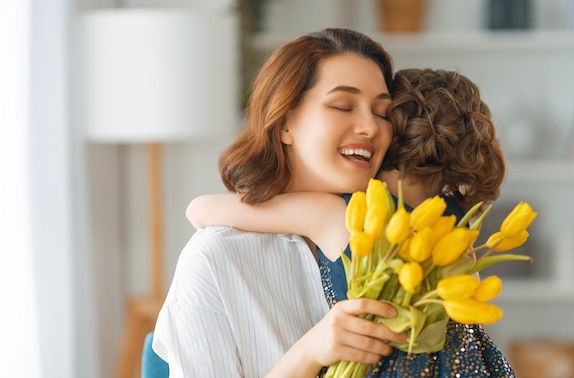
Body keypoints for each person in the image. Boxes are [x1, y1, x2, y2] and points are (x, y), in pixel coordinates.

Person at [186, 68, 515, 377]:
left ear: (388, 139)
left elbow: (199, 210)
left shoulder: (337, 213)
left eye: (379, 114)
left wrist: (290, 193)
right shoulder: (458, 223)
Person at [152, 28, 410, 378]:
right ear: (284, 122)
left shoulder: (399, 243)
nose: (370, 127)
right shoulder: (217, 258)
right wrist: (307, 354)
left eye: (382, 112)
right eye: (343, 106)